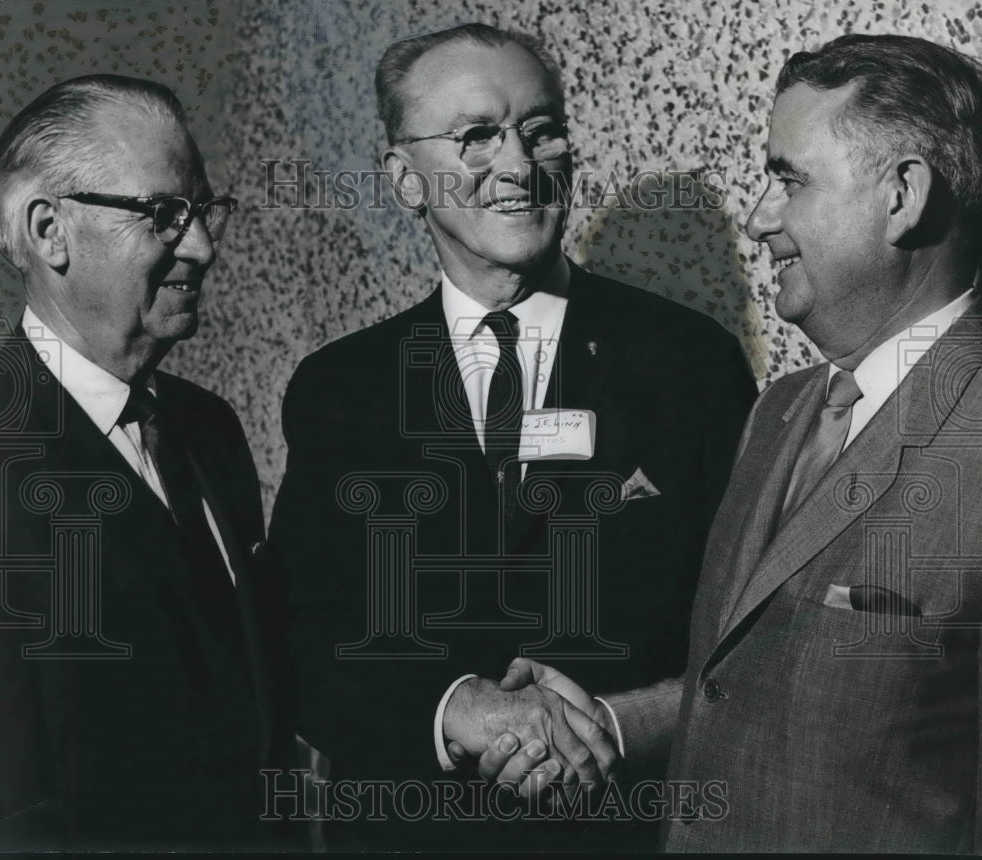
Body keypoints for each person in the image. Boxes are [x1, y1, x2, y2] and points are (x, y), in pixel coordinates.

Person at [485, 33, 982, 853]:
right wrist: (603, 720)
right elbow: (742, 686)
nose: (760, 219)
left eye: (790, 180)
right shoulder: (779, 413)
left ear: (904, 195)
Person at [268, 22, 756, 850]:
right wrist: (457, 707)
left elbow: (749, 642)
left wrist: (616, 725)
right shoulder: (339, 388)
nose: (519, 168)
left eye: (540, 130)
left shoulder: (689, 361)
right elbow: (302, 634)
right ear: (405, 180)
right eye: (476, 137)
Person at [0, 75, 304, 851]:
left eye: (203, 210)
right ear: (49, 232)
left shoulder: (207, 429)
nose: (203, 245)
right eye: (163, 214)